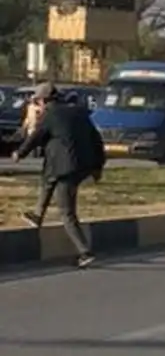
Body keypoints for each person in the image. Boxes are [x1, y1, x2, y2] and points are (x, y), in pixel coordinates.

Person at [13, 83, 106, 266]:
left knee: (67, 212)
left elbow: (36, 137)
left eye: (37, 101)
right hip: (79, 165)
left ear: (42, 100)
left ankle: (85, 252)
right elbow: (96, 139)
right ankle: (38, 214)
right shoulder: (79, 113)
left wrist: (20, 153)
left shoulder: (50, 114)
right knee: (48, 180)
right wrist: (98, 167)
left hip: (65, 168)